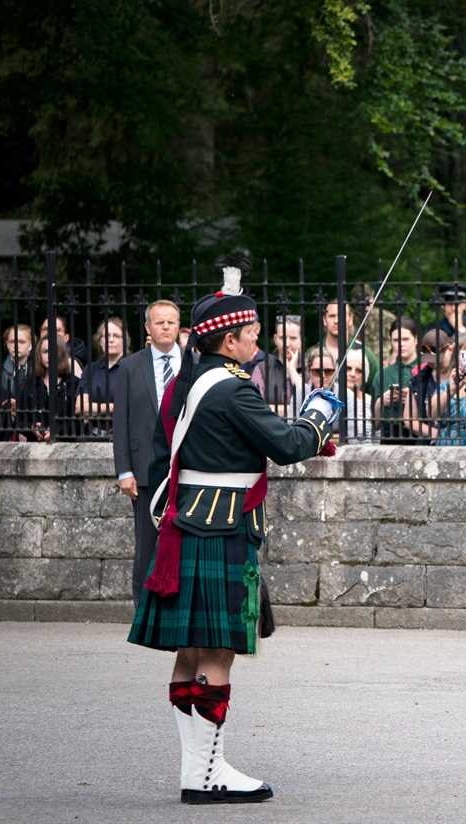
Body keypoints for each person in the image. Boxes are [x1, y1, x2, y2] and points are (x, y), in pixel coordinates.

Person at [128, 261, 339, 805]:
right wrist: (319, 416)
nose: (257, 342)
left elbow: (166, 458)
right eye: (251, 335)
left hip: (184, 524)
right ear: (228, 338)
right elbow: (288, 446)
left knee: (191, 650)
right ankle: (208, 772)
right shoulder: (233, 391)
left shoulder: (184, 383)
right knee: (218, 652)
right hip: (223, 529)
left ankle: (196, 768)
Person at [113, 299, 184, 604]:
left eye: (171, 321)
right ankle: (142, 608)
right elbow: (121, 422)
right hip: (143, 471)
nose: (166, 326)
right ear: (147, 328)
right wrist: (124, 470)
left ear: (179, 326)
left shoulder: (193, 362)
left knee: (182, 539)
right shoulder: (130, 366)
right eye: (159, 322)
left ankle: (178, 604)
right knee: (146, 544)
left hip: (186, 466)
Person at [15, 334, 81, 441]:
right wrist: (32, 428)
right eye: (45, 352)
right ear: (39, 355)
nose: (50, 355)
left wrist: (58, 431)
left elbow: (79, 422)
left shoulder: (74, 383)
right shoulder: (30, 384)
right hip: (35, 448)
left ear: (62, 354)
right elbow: (19, 420)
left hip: (65, 448)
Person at [374, 317, 426, 444]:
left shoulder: (428, 370)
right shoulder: (382, 375)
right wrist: (382, 401)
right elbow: (374, 424)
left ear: (416, 340)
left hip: (421, 436)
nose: (401, 344)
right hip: (389, 436)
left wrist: (414, 398)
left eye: (406, 339)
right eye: (396, 340)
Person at [75, 317, 130, 435]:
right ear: (99, 341)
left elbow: (132, 407)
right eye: (106, 336)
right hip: (91, 436)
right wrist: (112, 407)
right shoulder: (90, 369)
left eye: (116, 336)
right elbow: (80, 408)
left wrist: (94, 409)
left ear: (124, 340)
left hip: (123, 435)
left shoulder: (133, 367)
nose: (110, 340)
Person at [247, 315, 304, 415]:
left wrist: (292, 370)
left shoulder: (311, 367)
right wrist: (293, 410)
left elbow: (310, 403)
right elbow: (255, 407)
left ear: (301, 340)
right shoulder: (262, 368)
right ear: (275, 339)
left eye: (293, 338)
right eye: (282, 338)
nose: (287, 344)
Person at [319, 300, 381, 389]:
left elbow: (376, 388)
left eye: (341, 316)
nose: (336, 321)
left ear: (350, 319)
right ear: (324, 320)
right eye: (332, 316)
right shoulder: (314, 352)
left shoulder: (366, 354)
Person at [0, 323, 33, 400]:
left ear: (31, 345)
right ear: (7, 344)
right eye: (12, 342)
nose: (16, 345)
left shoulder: (38, 370)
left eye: (21, 342)